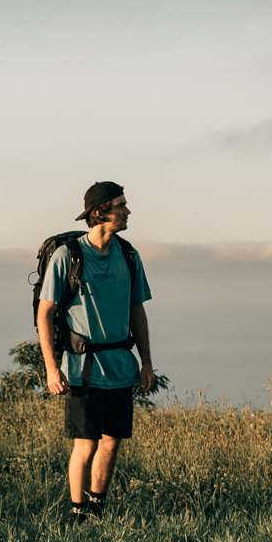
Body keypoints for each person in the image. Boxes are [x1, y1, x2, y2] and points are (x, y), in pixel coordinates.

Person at [37, 182, 155, 522]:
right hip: (81, 369)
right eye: (121, 205)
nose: (127, 211)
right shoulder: (68, 256)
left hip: (120, 366)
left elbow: (137, 311)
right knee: (85, 444)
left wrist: (146, 362)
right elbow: (45, 312)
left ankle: (98, 508)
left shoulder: (129, 256)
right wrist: (51, 366)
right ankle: (78, 513)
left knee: (112, 441)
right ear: (100, 212)